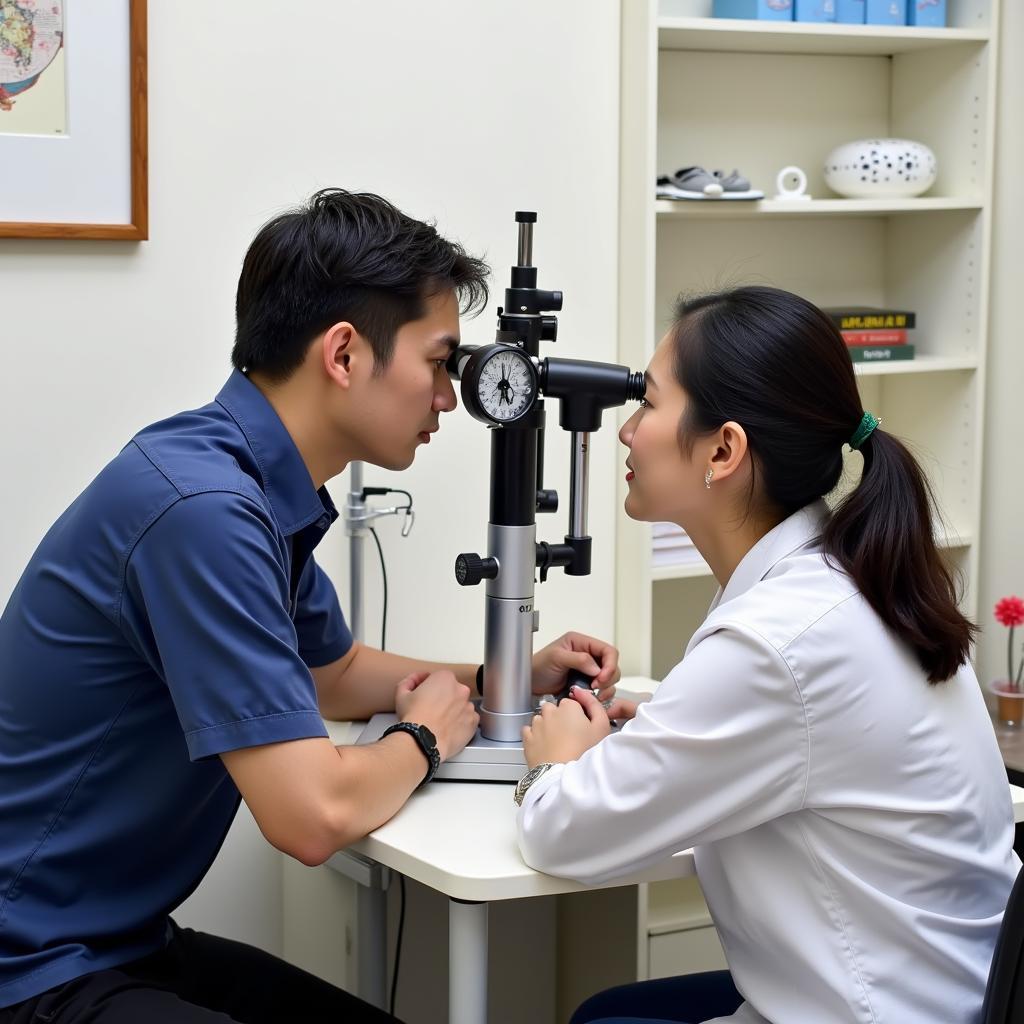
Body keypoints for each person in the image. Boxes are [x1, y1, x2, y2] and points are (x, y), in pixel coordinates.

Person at [0, 189, 621, 1024]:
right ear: (343, 355)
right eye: (438, 361)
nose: (449, 396)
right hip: (32, 964)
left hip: (111, 938)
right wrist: (426, 737)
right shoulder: (204, 512)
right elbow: (311, 816)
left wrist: (495, 675)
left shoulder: (242, 477)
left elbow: (332, 674)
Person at [514, 285, 1019, 1024]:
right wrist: (661, 728)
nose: (627, 432)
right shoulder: (849, 584)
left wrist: (555, 763)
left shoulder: (781, 640)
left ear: (723, 449)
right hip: (941, 991)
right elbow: (808, 733)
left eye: (648, 403)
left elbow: (562, 833)